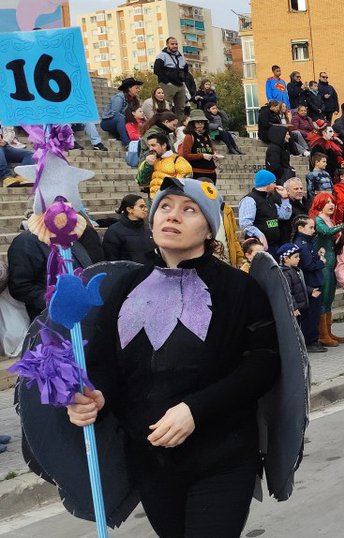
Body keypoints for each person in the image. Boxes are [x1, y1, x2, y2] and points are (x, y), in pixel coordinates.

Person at [66, 178, 279, 537]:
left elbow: (264, 363)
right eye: (165, 207)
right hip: (151, 460)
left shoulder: (238, 288)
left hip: (223, 455)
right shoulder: (125, 287)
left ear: (209, 227)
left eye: (188, 209)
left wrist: (196, 409)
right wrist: (95, 396)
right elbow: (103, 364)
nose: (173, 216)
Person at [310, 192, 344, 346]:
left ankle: (328, 332)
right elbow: (326, 232)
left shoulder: (330, 220)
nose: (331, 205)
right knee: (323, 298)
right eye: (327, 202)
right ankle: (322, 335)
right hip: (323, 264)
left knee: (329, 298)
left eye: (332, 202)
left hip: (331, 262)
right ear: (319, 205)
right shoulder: (318, 220)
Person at [276, 242, 323, 354]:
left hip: (301, 307)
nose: (298, 259)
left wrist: (310, 291)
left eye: (299, 256)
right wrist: (294, 307)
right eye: (296, 257)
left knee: (300, 328)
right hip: (296, 309)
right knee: (294, 330)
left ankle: (301, 347)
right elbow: (288, 292)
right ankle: (295, 350)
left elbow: (300, 285)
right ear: (286, 259)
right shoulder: (285, 273)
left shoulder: (295, 270)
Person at [291, 216, 327, 353]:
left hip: (314, 282)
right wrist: (321, 262)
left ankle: (313, 339)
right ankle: (310, 341)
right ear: (300, 228)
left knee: (314, 313)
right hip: (311, 284)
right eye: (311, 227)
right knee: (311, 314)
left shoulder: (307, 242)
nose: (313, 230)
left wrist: (317, 255)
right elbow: (307, 265)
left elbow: (311, 258)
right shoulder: (302, 244)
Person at [239, 170, 294, 251]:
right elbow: (245, 224)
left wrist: (285, 198)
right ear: (267, 183)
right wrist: (260, 235)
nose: (276, 185)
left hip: (274, 245)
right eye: (274, 182)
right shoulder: (250, 199)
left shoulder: (270, 198)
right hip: (259, 246)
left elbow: (285, 216)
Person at [102, 194, 155, 264]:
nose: (146, 209)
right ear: (129, 209)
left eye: (145, 206)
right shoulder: (114, 232)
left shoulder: (149, 229)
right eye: (141, 206)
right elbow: (111, 260)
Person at [136, 132, 191, 197]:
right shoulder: (148, 161)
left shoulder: (178, 160)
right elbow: (141, 182)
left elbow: (185, 183)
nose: (150, 149)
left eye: (153, 145)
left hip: (169, 200)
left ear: (164, 145)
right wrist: (148, 166)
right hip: (152, 200)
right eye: (149, 146)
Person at [152, 37, 195, 113]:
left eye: (176, 44)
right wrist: (166, 82)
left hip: (180, 85)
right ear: (167, 44)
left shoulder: (181, 57)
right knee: (167, 106)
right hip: (168, 85)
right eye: (172, 44)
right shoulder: (162, 55)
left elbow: (186, 70)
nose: (175, 46)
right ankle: (167, 123)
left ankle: (180, 123)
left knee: (181, 108)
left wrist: (183, 80)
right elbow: (157, 70)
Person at [178, 110, 222, 182]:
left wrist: (215, 155)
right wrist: (202, 156)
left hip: (211, 172)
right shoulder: (189, 137)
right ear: (192, 124)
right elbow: (186, 155)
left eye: (202, 122)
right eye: (197, 122)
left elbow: (212, 150)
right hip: (197, 172)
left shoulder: (207, 136)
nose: (200, 124)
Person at [102, 77, 143, 146]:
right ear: (129, 88)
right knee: (121, 118)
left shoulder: (135, 99)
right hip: (108, 122)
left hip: (123, 122)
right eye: (136, 88)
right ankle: (127, 144)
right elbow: (115, 114)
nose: (138, 90)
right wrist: (129, 119)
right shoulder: (119, 98)